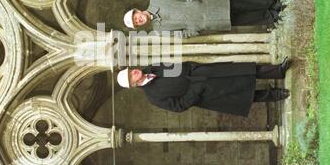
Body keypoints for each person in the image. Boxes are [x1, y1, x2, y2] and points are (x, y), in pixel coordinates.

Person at [116, 58, 290, 117]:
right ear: (133, 85)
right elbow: (179, 106)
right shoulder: (153, 97)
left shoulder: (152, 67)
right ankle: (276, 94)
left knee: (244, 70)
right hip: (205, 93)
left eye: (131, 70)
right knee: (242, 95)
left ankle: (278, 70)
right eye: (132, 75)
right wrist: (196, 90)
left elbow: (177, 65)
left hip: (205, 72)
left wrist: (193, 67)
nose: (134, 72)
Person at [123, 0, 286, 38]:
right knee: (244, 19)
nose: (139, 20)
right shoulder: (158, 30)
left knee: (243, 4)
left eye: (135, 17)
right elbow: (181, 35)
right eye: (137, 23)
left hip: (206, 4)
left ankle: (275, 4)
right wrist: (194, 30)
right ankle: (274, 16)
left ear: (137, 11)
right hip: (207, 22)